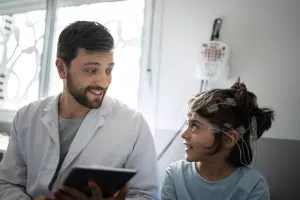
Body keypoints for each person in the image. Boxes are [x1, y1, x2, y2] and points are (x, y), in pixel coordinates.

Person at [0, 21, 159, 200]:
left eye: (108, 70)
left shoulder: (133, 125)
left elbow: (147, 195)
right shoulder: (26, 117)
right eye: (92, 70)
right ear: (62, 68)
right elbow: (7, 183)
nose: (104, 82)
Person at [161, 79, 275, 200]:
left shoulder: (254, 185)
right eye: (187, 124)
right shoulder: (175, 174)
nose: (183, 134)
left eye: (195, 125)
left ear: (228, 139)